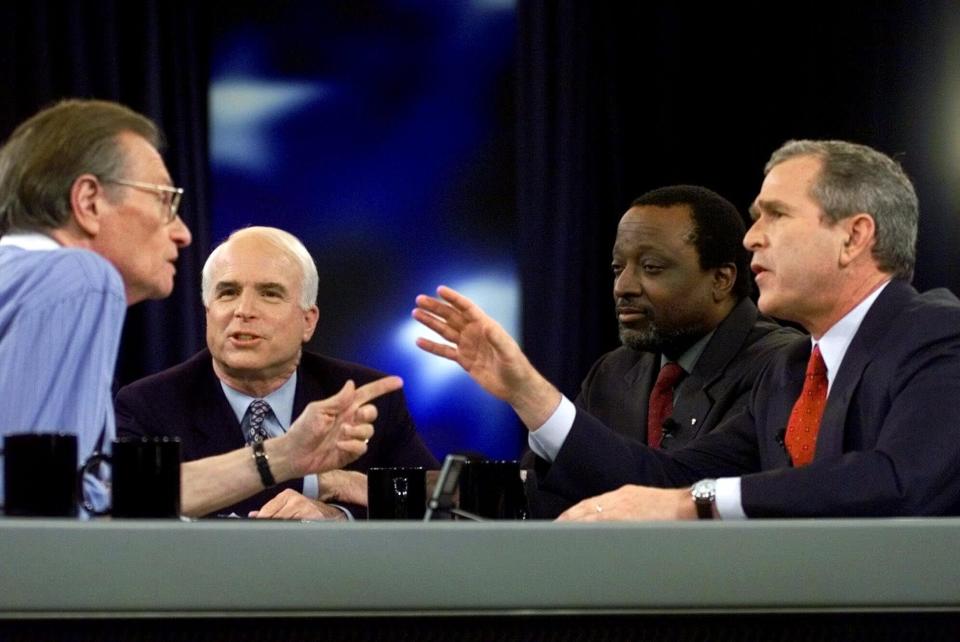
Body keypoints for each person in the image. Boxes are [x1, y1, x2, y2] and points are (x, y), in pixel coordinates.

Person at [415, 139, 960, 520]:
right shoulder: (792, 373)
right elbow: (667, 481)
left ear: (854, 237)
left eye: (776, 215)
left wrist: (693, 505)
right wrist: (525, 389)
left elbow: (899, 480)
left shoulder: (936, 335)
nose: (751, 239)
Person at [0, 99, 399, 516]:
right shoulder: (79, 277)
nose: (183, 233)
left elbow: (99, 494)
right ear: (89, 201)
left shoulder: (24, 275)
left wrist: (284, 456)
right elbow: (36, 508)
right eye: (164, 201)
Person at [116, 226, 438, 519]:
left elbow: (443, 512)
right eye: (228, 292)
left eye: (269, 293)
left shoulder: (366, 399)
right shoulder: (149, 406)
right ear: (208, 312)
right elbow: (125, 513)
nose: (243, 311)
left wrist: (340, 517)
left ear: (308, 321)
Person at [522, 185, 799, 516]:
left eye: (651, 267)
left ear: (721, 279)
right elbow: (542, 500)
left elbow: (677, 487)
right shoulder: (613, 372)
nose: (623, 287)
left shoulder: (783, 365)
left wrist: (525, 391)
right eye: (617, 268)